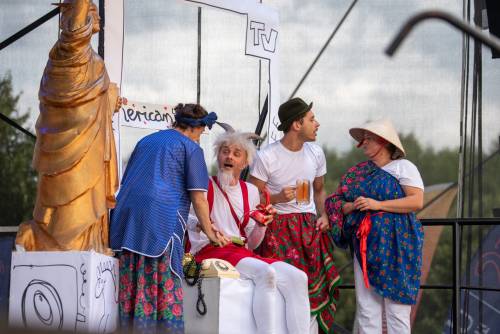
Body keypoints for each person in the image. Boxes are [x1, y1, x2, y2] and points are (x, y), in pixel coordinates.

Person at [110, 103, 228, 333]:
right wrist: (211, 232)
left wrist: (200, 225)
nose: (200, 137)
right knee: (161, 288)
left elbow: (134, 183)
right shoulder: (191, 148)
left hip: (127, 221)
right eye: (202, 132)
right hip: (160, 222)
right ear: (196, 128)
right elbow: (198, 198)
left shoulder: (146, 141)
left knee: (133, 286)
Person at [16, 0, 119, 254]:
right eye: (91, 12)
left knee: (82, 196)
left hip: (87, 145)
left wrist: (110, 98)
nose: (98, 18)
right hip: (71, 147)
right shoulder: (71, 54)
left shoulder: (87, 60)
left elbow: (92, 100)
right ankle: (59, 242)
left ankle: (84, 242)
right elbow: (74, 32)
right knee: (70, 195)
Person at [187, 131, 311, 334]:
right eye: (225, 152)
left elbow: (252, 243)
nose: (229, 157)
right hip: (209, 251)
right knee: (266, 272)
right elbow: (185, 220)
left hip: (241, 252)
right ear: (218, 156)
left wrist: (262, 224)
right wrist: (202, 225)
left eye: (237, 154)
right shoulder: (203, 185)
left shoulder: (251, 191)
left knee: (298, 278)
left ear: (244, 163)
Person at [249, 97, 340, 333]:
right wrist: (277, 198)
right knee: (280, 290)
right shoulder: (267, 156)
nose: (317, 124)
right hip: (277, 231)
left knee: (311, 290)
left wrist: (324, 216)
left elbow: (319, 189)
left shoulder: (316, 153)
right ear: (296, 125)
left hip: (309, 228)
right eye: (312, 119)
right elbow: (250, 197)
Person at [324, 119, 424, 334]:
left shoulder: (404, 167)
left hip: (397, 244)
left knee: (397, 309)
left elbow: (416, 201)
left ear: (383, 142)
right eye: (363, 140)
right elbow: (335, 201)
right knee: (367, 309)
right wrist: (349, 206)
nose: (363, 143)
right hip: (365, 244)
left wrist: (377, 204)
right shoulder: (356, 173)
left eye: (368, 139)